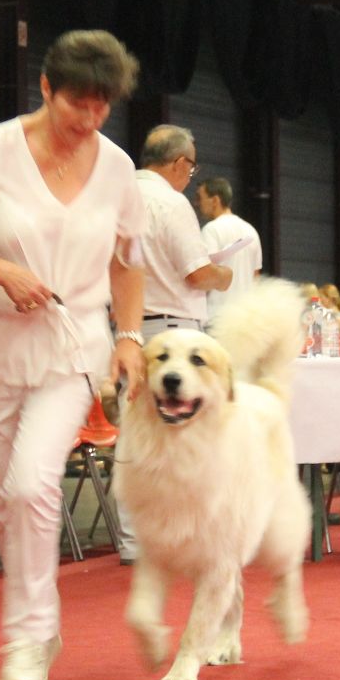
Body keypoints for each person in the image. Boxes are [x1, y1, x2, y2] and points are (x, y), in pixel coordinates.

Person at [0, 29, 146, 680]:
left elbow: (126, 262)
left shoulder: (117, 168)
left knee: (31, 486)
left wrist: (128, 338)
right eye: (78, 102)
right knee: (6, 505)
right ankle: (39, 627)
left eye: (103, 106)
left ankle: (25, 636)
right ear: (45, 89)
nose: (90, 119)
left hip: (72, 349)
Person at [115, 124, 232, 564]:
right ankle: (183, 534)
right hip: (174, 331)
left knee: (135, 436)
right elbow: (197, 273)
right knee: (187, 434)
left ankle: (133, 541)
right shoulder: (171, 201)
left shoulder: (120, 196)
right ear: (180, 164)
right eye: (191, 167)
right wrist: (225, 273)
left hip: (130, 330)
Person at [195, 176, 261, 325]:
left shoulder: (211, 230)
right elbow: (255, 278)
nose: (197, 203)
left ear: (215, 201)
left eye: (200, 198)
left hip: (217, 318)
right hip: (245, 320)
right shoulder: (251, 231)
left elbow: (205, 274)